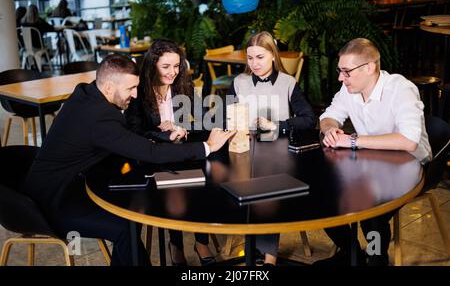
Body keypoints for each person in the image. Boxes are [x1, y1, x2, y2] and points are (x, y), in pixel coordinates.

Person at [22, 54, 235, 266]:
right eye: (130, 89)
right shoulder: (99, 117)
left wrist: (159, 136)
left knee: (130, 210)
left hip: (64, 184)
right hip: (52, 203)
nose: (135, 95)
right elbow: (149, 153)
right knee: (125, 226)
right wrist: (207, 147)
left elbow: (124, 138)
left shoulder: (87, 93)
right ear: (108, 88)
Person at [316, 37, 432, 266]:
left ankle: (377, 256)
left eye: (346, 72)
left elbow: (409, 141)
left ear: (369, 67)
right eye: (340, 71)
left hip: (412, 165)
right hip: (371, 161)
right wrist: (330, 130)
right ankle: (350, 252)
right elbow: (328, 116)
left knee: (373, 211)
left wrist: (352, 141)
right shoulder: (349, 88)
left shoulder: (401, 89)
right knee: (324, 197)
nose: (341, 78)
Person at [226, 31, 316, 265]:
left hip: (277, 152)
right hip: (244, 150)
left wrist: (277, 125)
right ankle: (255, 249)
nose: (254, 64)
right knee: (238, 185)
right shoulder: (238, 82)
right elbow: (225, 117)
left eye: (260, 58)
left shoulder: (288, 83)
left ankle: (269, 257)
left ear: (273, 57)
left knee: (267, 187)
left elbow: (308, 119)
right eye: (250, 58)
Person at [125, 39, 215, 266]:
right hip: (154, 157)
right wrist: (163, 133)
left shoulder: (182, 84)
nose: (173, 72)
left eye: (177, 66)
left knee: (204, 180)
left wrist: (186, 128)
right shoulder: (139, 90)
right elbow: (134, 132)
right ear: (153, 64)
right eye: (166, 67)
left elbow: (203, 119)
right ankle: (176, 244)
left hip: (183, 151)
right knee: (175, 186)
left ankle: (201, 241)